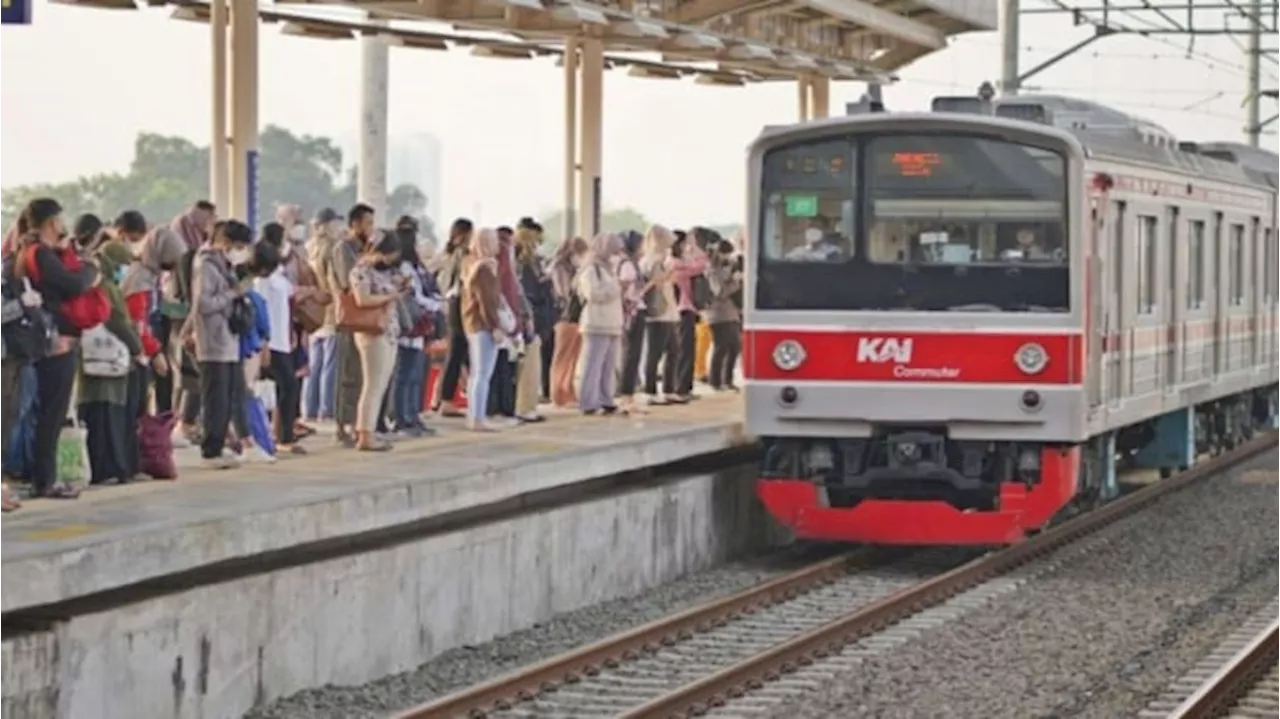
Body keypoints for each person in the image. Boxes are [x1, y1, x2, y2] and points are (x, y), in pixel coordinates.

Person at [15, 198, 100, 498]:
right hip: (54, 341)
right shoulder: (42, 253)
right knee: (52, 412)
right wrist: (91, 271)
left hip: (40, 340)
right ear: (53, 222)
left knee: (41, 412)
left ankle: (39, 475)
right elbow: (72, 285)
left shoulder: (25, 251)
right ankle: (45, 479)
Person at [188, 219, 254, 469]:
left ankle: (219, 446)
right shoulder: (206, 265)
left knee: (226, 397)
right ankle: (210, 450)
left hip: (228, 340)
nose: (240, 252)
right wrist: (232, 294)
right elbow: (203, 304)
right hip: (213, 341)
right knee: (215, 398)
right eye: (238, 246)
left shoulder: (223, 266)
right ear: (225, 243)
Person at [76, 240, 143, 485]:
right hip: (110, 361)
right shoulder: (108, 288)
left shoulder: (93, 283)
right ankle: (112, 467)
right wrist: (137, 348)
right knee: (110, 416)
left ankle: (97, 467)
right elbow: (117, 321)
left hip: (90, 360)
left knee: (93, 413)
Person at [349, 231, 404, 451]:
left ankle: (369, 429)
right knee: (373, 383)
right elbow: (361, 300)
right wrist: (391, 297)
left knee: (380, 384)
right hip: (373, 332)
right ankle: (365, 433)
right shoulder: (361, 270)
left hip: (388, 330)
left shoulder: (384, 271)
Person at [254, 225, 306, 455]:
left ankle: (279, 434)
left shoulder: (278, 276)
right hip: (271, 342)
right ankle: (281, 436)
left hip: (282, 339)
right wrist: (263, 342)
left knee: (283, 388)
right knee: (285, 386)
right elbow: (260, 311)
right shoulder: (262, 281)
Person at [331, 203, 375, 447]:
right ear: (355, 224)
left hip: (367, 317)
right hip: (350, 316)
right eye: (367, 223)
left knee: (362, 373)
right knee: (348, 371)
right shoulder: (344, 249)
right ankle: (343, 423)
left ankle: (358, 423)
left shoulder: (366, 249)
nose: (371, 228)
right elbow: (348, 279)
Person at [390, 216, 439, 437]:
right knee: (405, 373)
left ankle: (412, 415)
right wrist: (436, 305)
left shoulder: (414, 266)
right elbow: (414, 297)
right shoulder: (403, 266)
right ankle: (403, 418)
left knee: (414, 373)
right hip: (408, 324)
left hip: (418, 324)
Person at [461, 228, 507, 432]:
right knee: (482, 373)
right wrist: (495, 326)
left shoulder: (470, 264)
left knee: (476, 373)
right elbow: (487, 301)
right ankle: (478, 418)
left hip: (473, 323)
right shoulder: (485, 269)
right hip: (483, 325)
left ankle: (474, 415)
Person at [575, 233, 624, 415]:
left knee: (609, 364)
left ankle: (606, 398)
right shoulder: (590, 269)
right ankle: (588, 402)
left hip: (612, 322)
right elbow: (592, 294)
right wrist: (616, 288)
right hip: (596, 323)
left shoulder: (610, 269)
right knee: (592, 364)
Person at [303, 207, 343, 422]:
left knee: (314, 366)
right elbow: (334, 282)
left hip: (312, 311)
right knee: (330, 364)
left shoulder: (309, 247)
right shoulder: (331, 248)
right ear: (327, 225)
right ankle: (326, 410)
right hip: (329, 309)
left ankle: (309, 408)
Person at [639, 224, 682, 406]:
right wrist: (668, 276)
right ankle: (650, 390)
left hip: (667, 309)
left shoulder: (658, 260)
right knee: (655, 352)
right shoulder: (652, 261)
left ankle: (669, 388)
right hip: (658, 311)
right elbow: (656, 283)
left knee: (672, 350)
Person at [435, 218, 473, 417]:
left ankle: (442, 398)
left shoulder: (448, 254)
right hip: (458, 304)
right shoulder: (461, 255)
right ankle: (445, 399)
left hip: (451, 304)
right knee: (458, 353)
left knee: (456, 354)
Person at [514, 223, 551, 423]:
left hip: (533, 318)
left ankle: (527, 405)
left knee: (531, 365)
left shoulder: (527, 265)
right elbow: (530, 295)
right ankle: (525, 406)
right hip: (532, 318)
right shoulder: (527, 267)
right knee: (529, 366)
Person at [669, 229, 709, 402]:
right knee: (684, 350)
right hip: (681, 310)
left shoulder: (682, 263)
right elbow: (701, 264)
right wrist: (694, 247)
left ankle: (685, 386)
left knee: (688, 349)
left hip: (687, 309)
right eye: (685, 243)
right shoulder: (675, 264)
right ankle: (680, 387)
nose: (688, 247)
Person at [548, 236, 588, 408]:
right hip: (564, 316)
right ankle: (558, 393)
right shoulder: (559, 267)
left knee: (573, 356)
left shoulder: (575, 268)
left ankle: (569, 390)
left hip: (576, 315)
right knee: (563, 356)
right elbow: (563, 291)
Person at [615, 230, 648, 414]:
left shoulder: (632, 263)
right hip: (633, 312)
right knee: (630, 354)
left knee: (633, 354)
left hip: (635, 310)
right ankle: (626, 395)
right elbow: (625, 290)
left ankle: (629, 395)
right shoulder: (628, 265)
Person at [703, 239, 742, 391]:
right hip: (718, 314)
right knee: (721, 347)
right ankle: (716, 380)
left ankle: (727, 379)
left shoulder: (725, 267)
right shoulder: (711, 270)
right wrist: (735, 283)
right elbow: (720, 291)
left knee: (734, 346)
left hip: (730, 312)